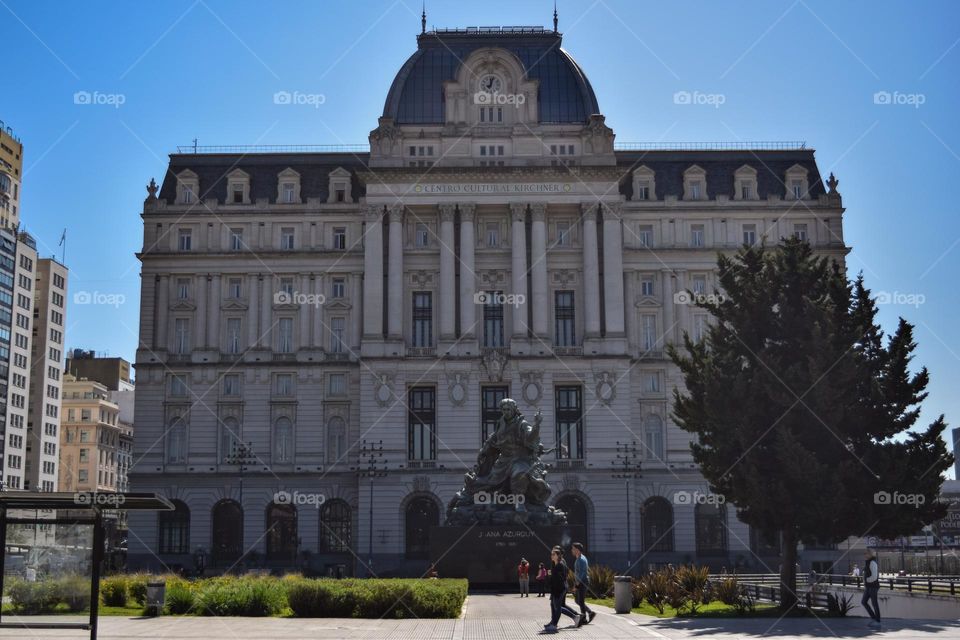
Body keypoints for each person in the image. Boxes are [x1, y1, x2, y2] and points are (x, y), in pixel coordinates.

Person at [544, 547, 579, 632]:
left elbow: (560, 579)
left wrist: (552, 575)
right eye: (551, 554)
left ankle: (554, 625)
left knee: (557, 607)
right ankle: (574, 617)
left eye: (553, 554)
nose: (552, 556)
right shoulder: (555, 564)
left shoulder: (560, 565)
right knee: (556, 606)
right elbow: (554, 578)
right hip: (555, 589)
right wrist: (551, 575)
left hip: (559, 589)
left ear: (558, 556)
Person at [571, 542, 596, 626]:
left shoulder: (581, 559)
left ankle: (584, 619)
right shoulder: (580, 558)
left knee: (580, 601)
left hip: (583, 582)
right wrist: (576, 584)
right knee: (577, 600)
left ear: (577, 550)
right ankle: (590, 612)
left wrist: (577, 584)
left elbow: (583, 573)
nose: (572, 550)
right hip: (581, 582)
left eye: (573, 549)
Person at [861, 549, 881, 629]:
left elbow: (874, 576)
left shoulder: (872, 562)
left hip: (873, 586)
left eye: (866, 553)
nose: (865, 555)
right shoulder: (868, 562)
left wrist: (867, 580)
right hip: (868, 586)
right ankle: (874, 618)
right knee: (864, 602)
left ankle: (877, 621)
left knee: (874, 603)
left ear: (870, 554)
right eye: (864, 553)